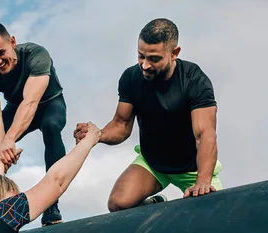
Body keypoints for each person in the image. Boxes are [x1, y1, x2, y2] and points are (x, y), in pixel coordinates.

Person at [74, 18, 223, 212]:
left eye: (154, 59)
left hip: (192, 168)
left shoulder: (194, 80)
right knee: (118, 204)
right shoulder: (131, 78)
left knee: (214, 211)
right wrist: (97, 134)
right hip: (153, 164)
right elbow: (121, 124)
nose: (145, 65)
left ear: (174, 53)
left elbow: (205, 135)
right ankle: (155, 204)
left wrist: (202, 181)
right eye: (140, 56)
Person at [0, 20, 67, 226]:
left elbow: (31, 101)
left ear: (13, 42)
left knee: (51, 127)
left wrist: (9, 139)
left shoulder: (36, 55)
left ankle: (52, 207)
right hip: (16, 107)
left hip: (49, 103)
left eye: (0, 53)